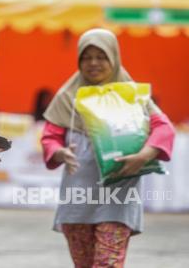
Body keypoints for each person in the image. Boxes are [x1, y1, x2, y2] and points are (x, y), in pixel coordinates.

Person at [41, 28, 175, 267]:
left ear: (114, 58)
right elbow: (50, 137)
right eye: (86, 57)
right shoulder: (66, 96)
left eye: (101, 56)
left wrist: (144, 156)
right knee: (83, 263)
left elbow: (164, 128)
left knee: (107, 263)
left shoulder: (131, 95)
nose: (94, 63)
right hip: (78, 196)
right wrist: (59, 152)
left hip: (119, 194)